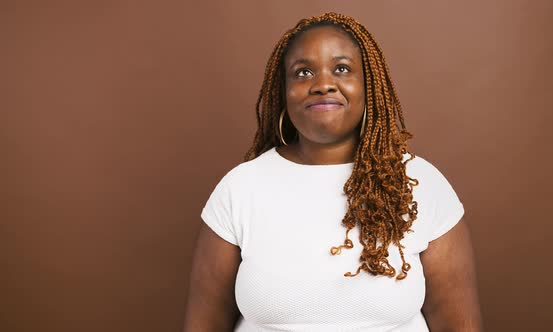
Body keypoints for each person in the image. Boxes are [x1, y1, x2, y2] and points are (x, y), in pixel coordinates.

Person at [184, 12, 483, 332]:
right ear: (283, 93)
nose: (323, 84)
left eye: (341, 69)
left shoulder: (420, 185)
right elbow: (206, 323)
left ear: (369, 87)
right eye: (303, 72)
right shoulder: (240, 188)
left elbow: (458, 324)